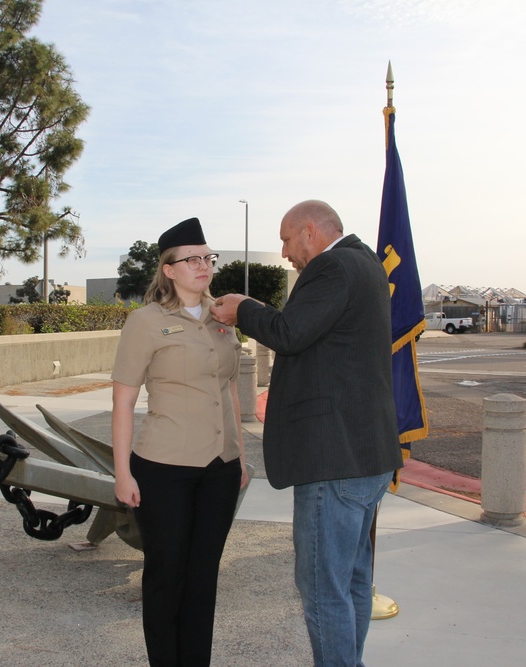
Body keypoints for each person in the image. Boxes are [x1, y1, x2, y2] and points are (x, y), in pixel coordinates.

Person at [210, 200, 403, 667]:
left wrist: (244, 307)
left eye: (285, 240)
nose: (283, 253)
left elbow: (291, 332)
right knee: (353, 581)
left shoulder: (333, 267)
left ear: (310, 232)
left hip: (334, 459)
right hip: (366, 454)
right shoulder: (365, 264)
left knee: (321, 589)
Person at [111, 217, 249, 666]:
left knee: (203, 577)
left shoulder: (223, 317)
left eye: (208, 258)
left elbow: (229, 391)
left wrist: (241, 458)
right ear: (169, 269)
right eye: (192, 259)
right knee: (166, 576)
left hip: (220, 470)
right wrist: (122, 472)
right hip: (164, 469)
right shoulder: (146, 322)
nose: (204, 265)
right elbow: (123, 400)